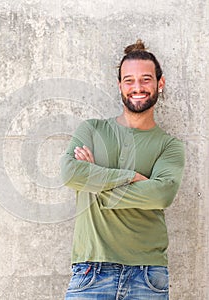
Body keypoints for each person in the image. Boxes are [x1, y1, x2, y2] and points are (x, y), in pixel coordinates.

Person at [60, 39, 185, 299]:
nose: (137, 87)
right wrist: (130, 177)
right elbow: (70, 173)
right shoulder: (92, 130)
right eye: (129, 80)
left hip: (148, 276)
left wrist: (95, 182)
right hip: (91, 272)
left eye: (145, 79)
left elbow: (160, 195)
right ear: (120, 85)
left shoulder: (169, 146)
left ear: (160, 84)